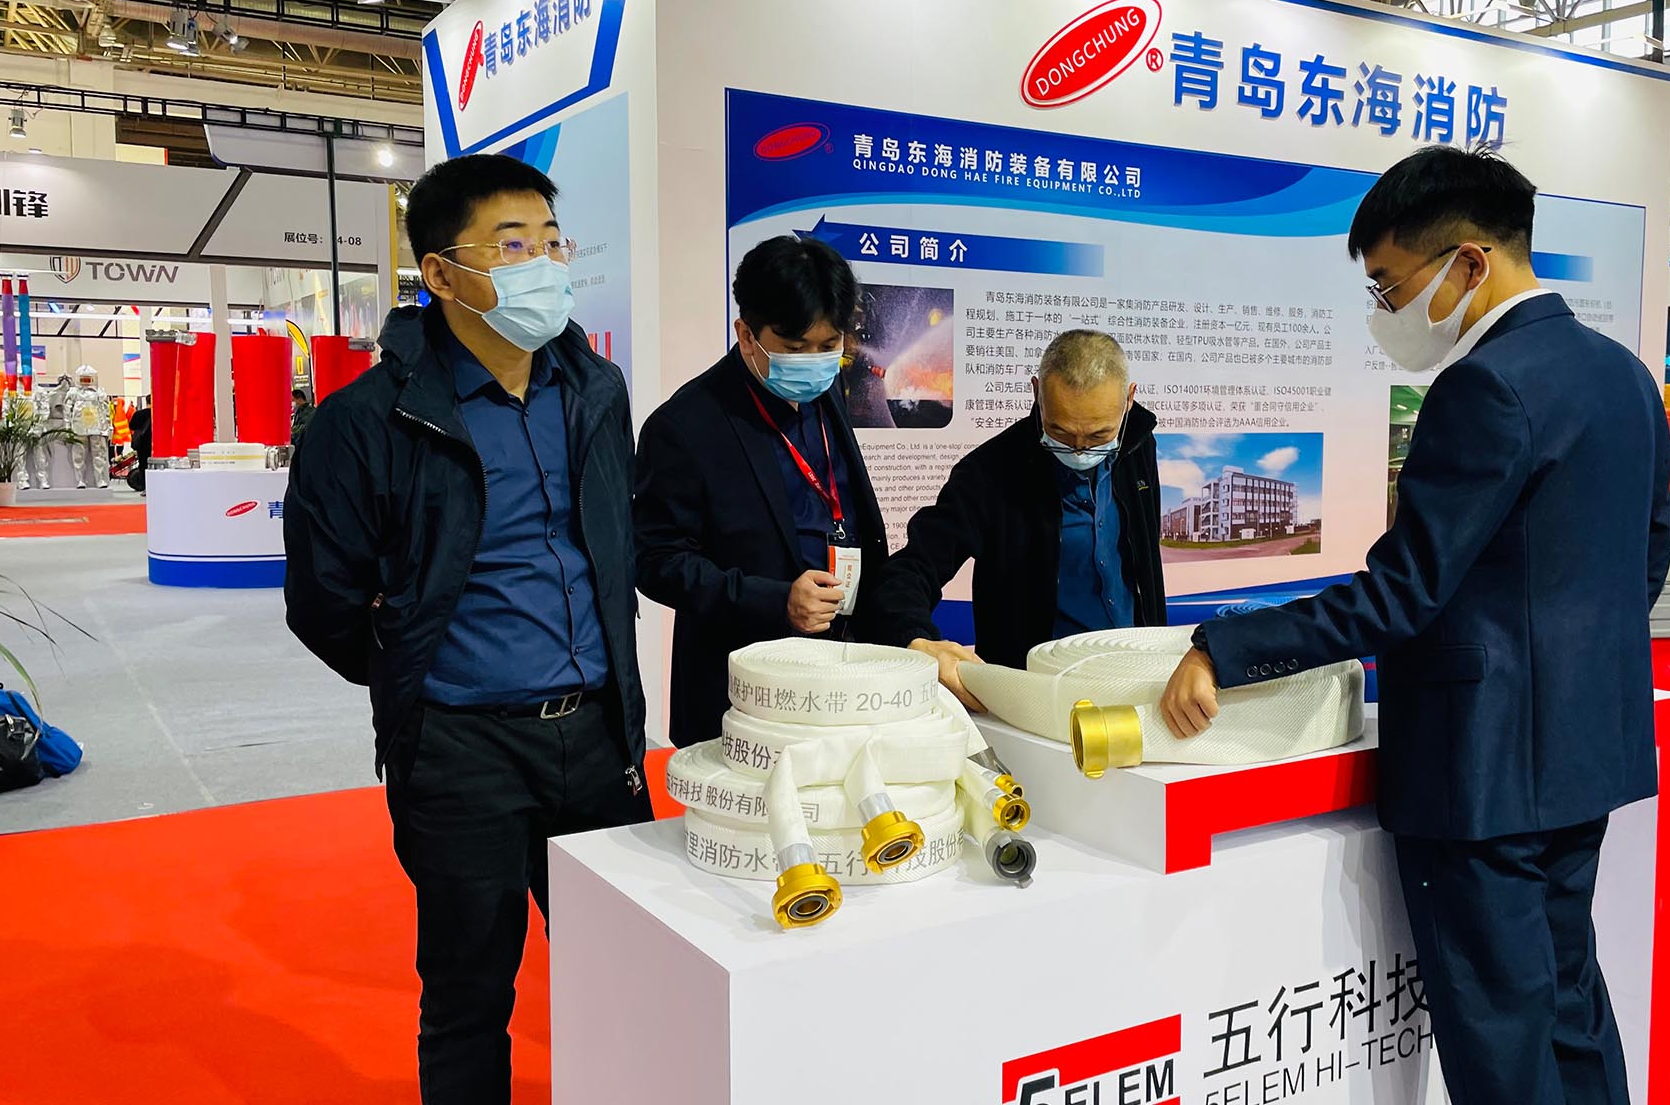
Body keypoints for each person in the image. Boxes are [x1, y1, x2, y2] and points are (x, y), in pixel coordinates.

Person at [1158, 146, 1670, 1105]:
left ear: (1470, 262)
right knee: (1568, 1000)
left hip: (1482, 775)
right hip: (1584, 752)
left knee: (1501, 1038)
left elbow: (1402, 594)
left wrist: (1224, 646)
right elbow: (1645, 557)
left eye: (1392, 286)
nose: (1387, 311)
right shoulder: (1624, 375)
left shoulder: (1485, 388)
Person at [282, 153, 651, 1105]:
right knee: (469, 993)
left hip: (598, 733)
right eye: (512, 245)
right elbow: (322, 600)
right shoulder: (366, 422)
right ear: (441, 274)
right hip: (461, 751)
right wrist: (417, 672)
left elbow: (613, 540)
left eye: (553, 243)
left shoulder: (597, 391)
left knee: (631, 969)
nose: (545, 265)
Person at [633, 235, 888, 745]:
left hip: (842, 671)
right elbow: (656, 561)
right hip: (741, 693)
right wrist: (775, 601)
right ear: (746, 335)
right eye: (794, 349)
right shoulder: (685, 425)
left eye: (828, 346)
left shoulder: (826, 392)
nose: (814, 361)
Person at [867, 329, 1166, 705]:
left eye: (1097, 436)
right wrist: (915, 639)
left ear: (1129, 399)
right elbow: (912, 568)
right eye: (1059, 431)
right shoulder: (990, 472)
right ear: (1037, 392)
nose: (1079, 450)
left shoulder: (1138, 444)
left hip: (1138, 673)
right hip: (1036, 694)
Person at [67, 366, 113, 488]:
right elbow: (67, 411)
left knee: (99, 455)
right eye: (83, 379)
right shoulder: (73, 393)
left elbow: (106, 411)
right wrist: (67, 427)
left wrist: (108, 427)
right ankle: (80, 480)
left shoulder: (100, 393)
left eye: (88, 379)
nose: (86, 382)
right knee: (78, 455)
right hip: (78, 427)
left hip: (96, 428)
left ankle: (100, 479)